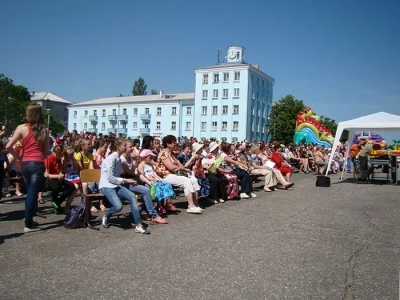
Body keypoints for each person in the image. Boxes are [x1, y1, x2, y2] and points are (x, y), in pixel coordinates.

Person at [99, 138, 166, 232]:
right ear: (118, 147)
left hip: (117, 184)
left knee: (132, 196)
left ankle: (138, 225)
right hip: (106, 186)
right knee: (118, 207)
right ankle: (106, 216)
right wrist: (127, 180)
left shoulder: (118, 158)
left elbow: (130, 173)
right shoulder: (112, 158)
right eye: (125, 146)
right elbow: (110, 178)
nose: (127, 147)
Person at [6, 103, 49, 233]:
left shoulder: (21, 128)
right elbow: (46, 151)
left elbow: (8, 146)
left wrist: (18, 157)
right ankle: (28, 223)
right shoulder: (45, 130)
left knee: (30, 191)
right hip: (38, 163)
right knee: (32, 192)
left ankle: (30, 219)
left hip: (25, 163)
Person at [157, 135, 203, 214]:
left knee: (194, 180)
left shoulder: (171, 154)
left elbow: (180, 165)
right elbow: (171, 167)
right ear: (168, 144)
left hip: (173, 174)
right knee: (186, 181)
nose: (176, 144)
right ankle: (191, 206)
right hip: (165, 176)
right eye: (174, 143)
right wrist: (179, 167)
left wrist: (182, 168)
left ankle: (196, 204)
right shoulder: (164, 154)